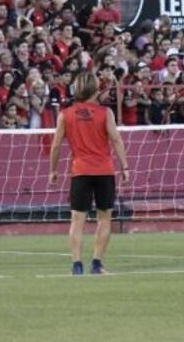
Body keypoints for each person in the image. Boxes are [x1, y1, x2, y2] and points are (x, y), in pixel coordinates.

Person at [48, 71, 130, 275]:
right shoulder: (105, 113)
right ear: (95, 89)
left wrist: (52, 170)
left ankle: (77, 265)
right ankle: (97, 263)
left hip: (80, 171)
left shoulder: (65, 114)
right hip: (104, 170)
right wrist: (125, 167)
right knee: (104, 218)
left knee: (77, 220)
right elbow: (116, 139)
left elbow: (56, 145)